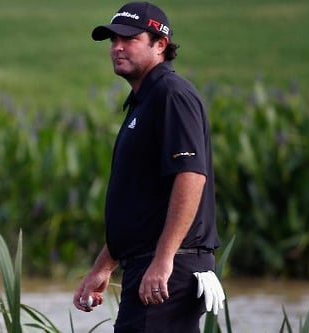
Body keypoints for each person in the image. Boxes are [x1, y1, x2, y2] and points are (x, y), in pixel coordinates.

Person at [72, 2, 223, 332]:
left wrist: (164, 259)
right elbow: (140, 203)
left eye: (130, 39)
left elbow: (191, 176)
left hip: (170, 268)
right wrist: (104, 265)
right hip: (150, 264)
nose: (117, 48)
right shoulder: (144, 102)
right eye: (113, 41)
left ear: (160, 45)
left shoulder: (171, 95)